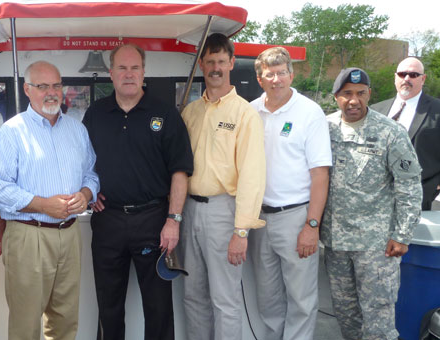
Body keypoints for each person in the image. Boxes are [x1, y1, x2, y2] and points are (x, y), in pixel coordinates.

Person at [83, 44, 193, 340]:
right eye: (122, 68)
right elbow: (79, 162)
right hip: (108, 222)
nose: (128, 74)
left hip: (154, 222)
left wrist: (174, 220)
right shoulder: (95, 113)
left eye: (134, 68)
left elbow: (180, 172)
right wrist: (88, 193)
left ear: (144, 72)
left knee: (158, 308)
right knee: (108, 306)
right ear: (111, 73)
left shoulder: (165, 114)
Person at [0, 61, 99, 340]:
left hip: (70, 235)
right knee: (26, 324)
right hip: (28, 235)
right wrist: (42, 204)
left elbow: (92, 174)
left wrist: (86, 194)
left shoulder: (76, 130)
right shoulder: (12, 132)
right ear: (27, 90)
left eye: (56, 85)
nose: (51, 92)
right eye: (43, 86)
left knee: (65, 320)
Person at [324, 68, 422, 340]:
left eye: (360, 93)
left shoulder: (390, 132)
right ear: (336, 97)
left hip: (376, 247)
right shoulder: (324, 128)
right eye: (346, 94)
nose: (353, 100)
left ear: (369, 95)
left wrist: (401, 235)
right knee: (346, 317)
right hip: (336, 245)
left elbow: (409, 186)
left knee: (379, 322)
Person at [179, 32, 265, 340]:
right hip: (189, 212)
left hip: (223, 214)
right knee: (193, 296)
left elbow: (253, 176)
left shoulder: (244, 113)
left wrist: (241, 231)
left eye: (221, 61)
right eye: (210, 61)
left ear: (231, 63)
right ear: (202, 64)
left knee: (225, 301)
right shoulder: (190, 112)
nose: (215, 67)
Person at [248, 46, 331, 340]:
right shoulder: (251, 111)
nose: (276, 79)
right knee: (267, 298)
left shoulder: (310, 113)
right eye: (269, 74)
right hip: (259, 218)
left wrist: (312, 225)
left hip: (296, 217)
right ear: (260, 79)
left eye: (282, 72)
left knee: (301, 300)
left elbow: (320, 174)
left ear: (291, 74)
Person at [371, 57, 440, 210]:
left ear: (423, 79)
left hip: (417, 197)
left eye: (413, 75)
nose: (406, 78)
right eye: (402, 74)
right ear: (395, 78)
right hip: (375, 197)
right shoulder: (376, 110)